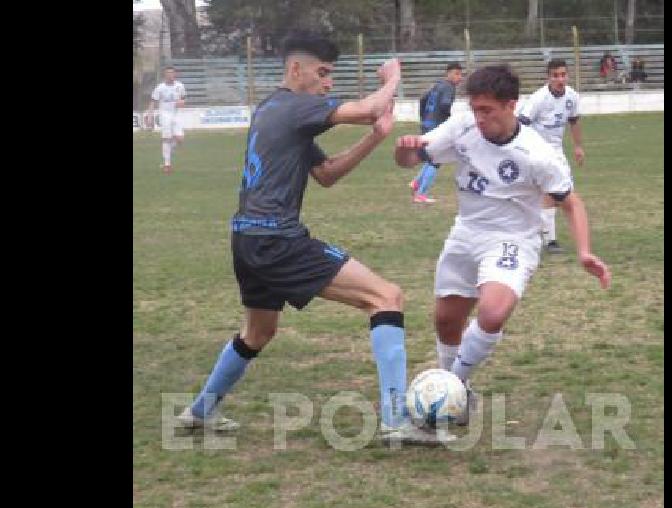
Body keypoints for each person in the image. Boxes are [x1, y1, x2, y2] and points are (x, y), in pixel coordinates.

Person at [176, 31, 453, 446]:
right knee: (386, 297)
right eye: (322, 74)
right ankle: (397, 421)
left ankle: (199, 412)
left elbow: (326, 175)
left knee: (257, 333)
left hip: (247, 239)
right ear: (295, 69)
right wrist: (392, 78)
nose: (327, 84)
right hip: (277, 239)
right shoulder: (293, 107)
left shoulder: (274, 109)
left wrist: (376, 137)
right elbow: (369, 107)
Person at [394, 65, 610, 425]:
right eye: (475, 109)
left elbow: (571, 201)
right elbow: (409, 162)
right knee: (446, 321)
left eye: (487, 110)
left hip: (514, 238)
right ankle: (455, 395)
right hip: (466, 232)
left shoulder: (537, 154)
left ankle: (453, 386)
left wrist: (584, 251)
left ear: (511, 105)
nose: (478, 118)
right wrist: (406, 149)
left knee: (492, 313)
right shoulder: (463, 126)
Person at [516, 59, 584, 254]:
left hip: (556, 151)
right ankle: (549, 240)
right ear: (549, 77)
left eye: (563, 75)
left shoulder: (572, 96)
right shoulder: (539, 98)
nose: (560, 79)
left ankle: (541, 235)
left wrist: (578, 146)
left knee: (557, 193)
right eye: (555, 75)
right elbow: (521, 123)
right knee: (553, 192)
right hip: (537, 150)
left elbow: (574, 121)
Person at [408, 62, 464, 204]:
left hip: (427, 125)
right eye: (457, 74)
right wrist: (449, 121)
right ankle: (421, 194)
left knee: (433, 157)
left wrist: (424, 117)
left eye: (461, 74)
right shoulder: (449, 88)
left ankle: (416, 183)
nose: (460, 77)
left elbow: (422, 100)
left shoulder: (437, 85)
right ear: (449, 74)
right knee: (436, 160)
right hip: (436, 127)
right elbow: (445, 105)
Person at [147, 66, 186, 174]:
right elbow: (153, 101)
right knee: (166, 139)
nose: (170, 75)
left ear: (175, 74)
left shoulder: (180, 86)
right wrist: (150, 116)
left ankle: (166, 160)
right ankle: (167, 165)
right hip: (165, 115)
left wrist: (182, 103)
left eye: (172, 73)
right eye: (168, 73)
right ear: (165, 75)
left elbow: (183, 99)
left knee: (180, 139)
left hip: (177, 115)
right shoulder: (160, 88)